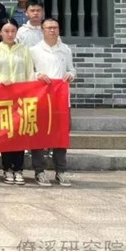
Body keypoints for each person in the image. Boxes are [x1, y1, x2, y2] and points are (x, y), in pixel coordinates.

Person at [0, 19, 34, 185]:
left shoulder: (24, 50)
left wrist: (30, 92)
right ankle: (7, 168)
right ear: (0, 32)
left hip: (21, 98)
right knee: (5, 133)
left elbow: (30, 74)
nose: (10, 34)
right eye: (6, 31)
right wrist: (0, 80)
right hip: (2, 99)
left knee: (19, 134)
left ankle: (18, 169)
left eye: (13, 31)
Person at [30, 17, 75, 187]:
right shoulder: (34, 50)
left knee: (60, 134)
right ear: (42, 30)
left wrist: (71, 75)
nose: (52, 30)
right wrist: (38, 75)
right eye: (48, 27)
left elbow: (71, 69)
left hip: (61, 100)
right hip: (41, 99)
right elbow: (29, 72)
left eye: (55, 27)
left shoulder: (65, 50)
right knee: (39, 135)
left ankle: (61, 170)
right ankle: (39, 171)